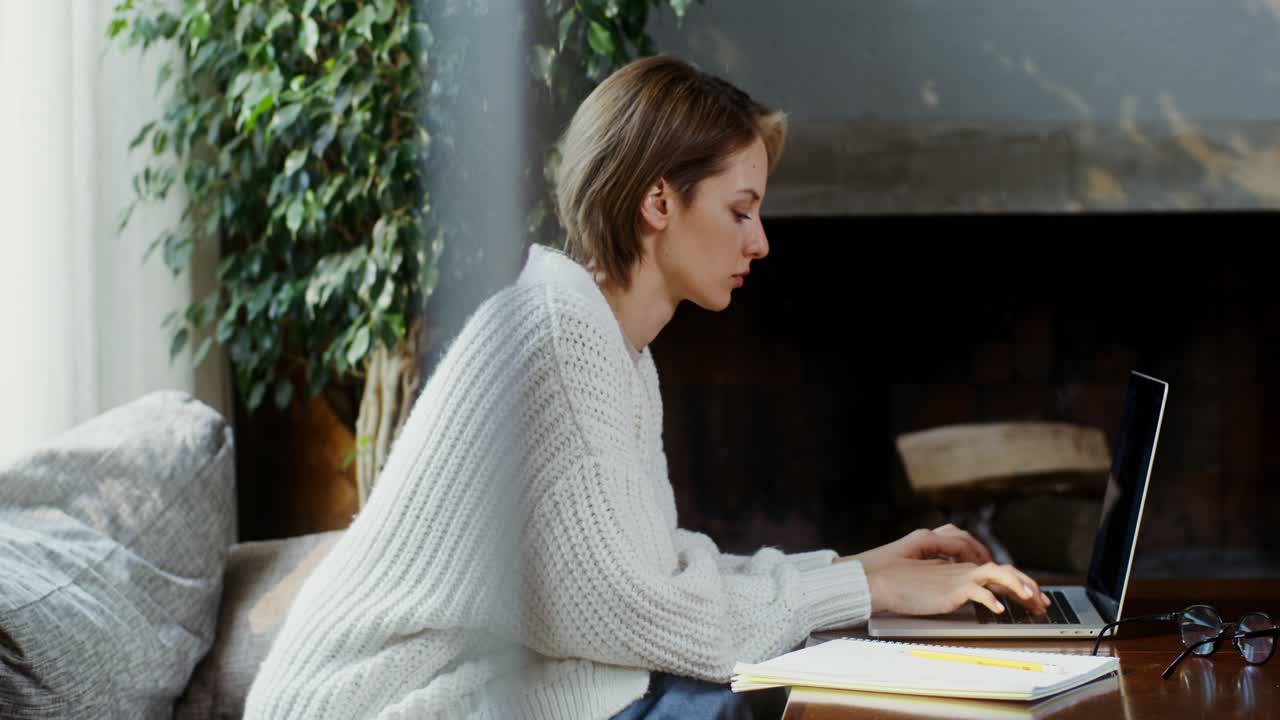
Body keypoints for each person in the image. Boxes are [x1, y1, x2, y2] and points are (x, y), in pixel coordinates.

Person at [243, 54, 1052, 720]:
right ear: (658, 200)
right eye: (741, 211)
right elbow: (640, 614)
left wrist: (857, 567)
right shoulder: (555, 337)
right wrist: (864, 586)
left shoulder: (607, 342)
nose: (761, 242)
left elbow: (655, 575)